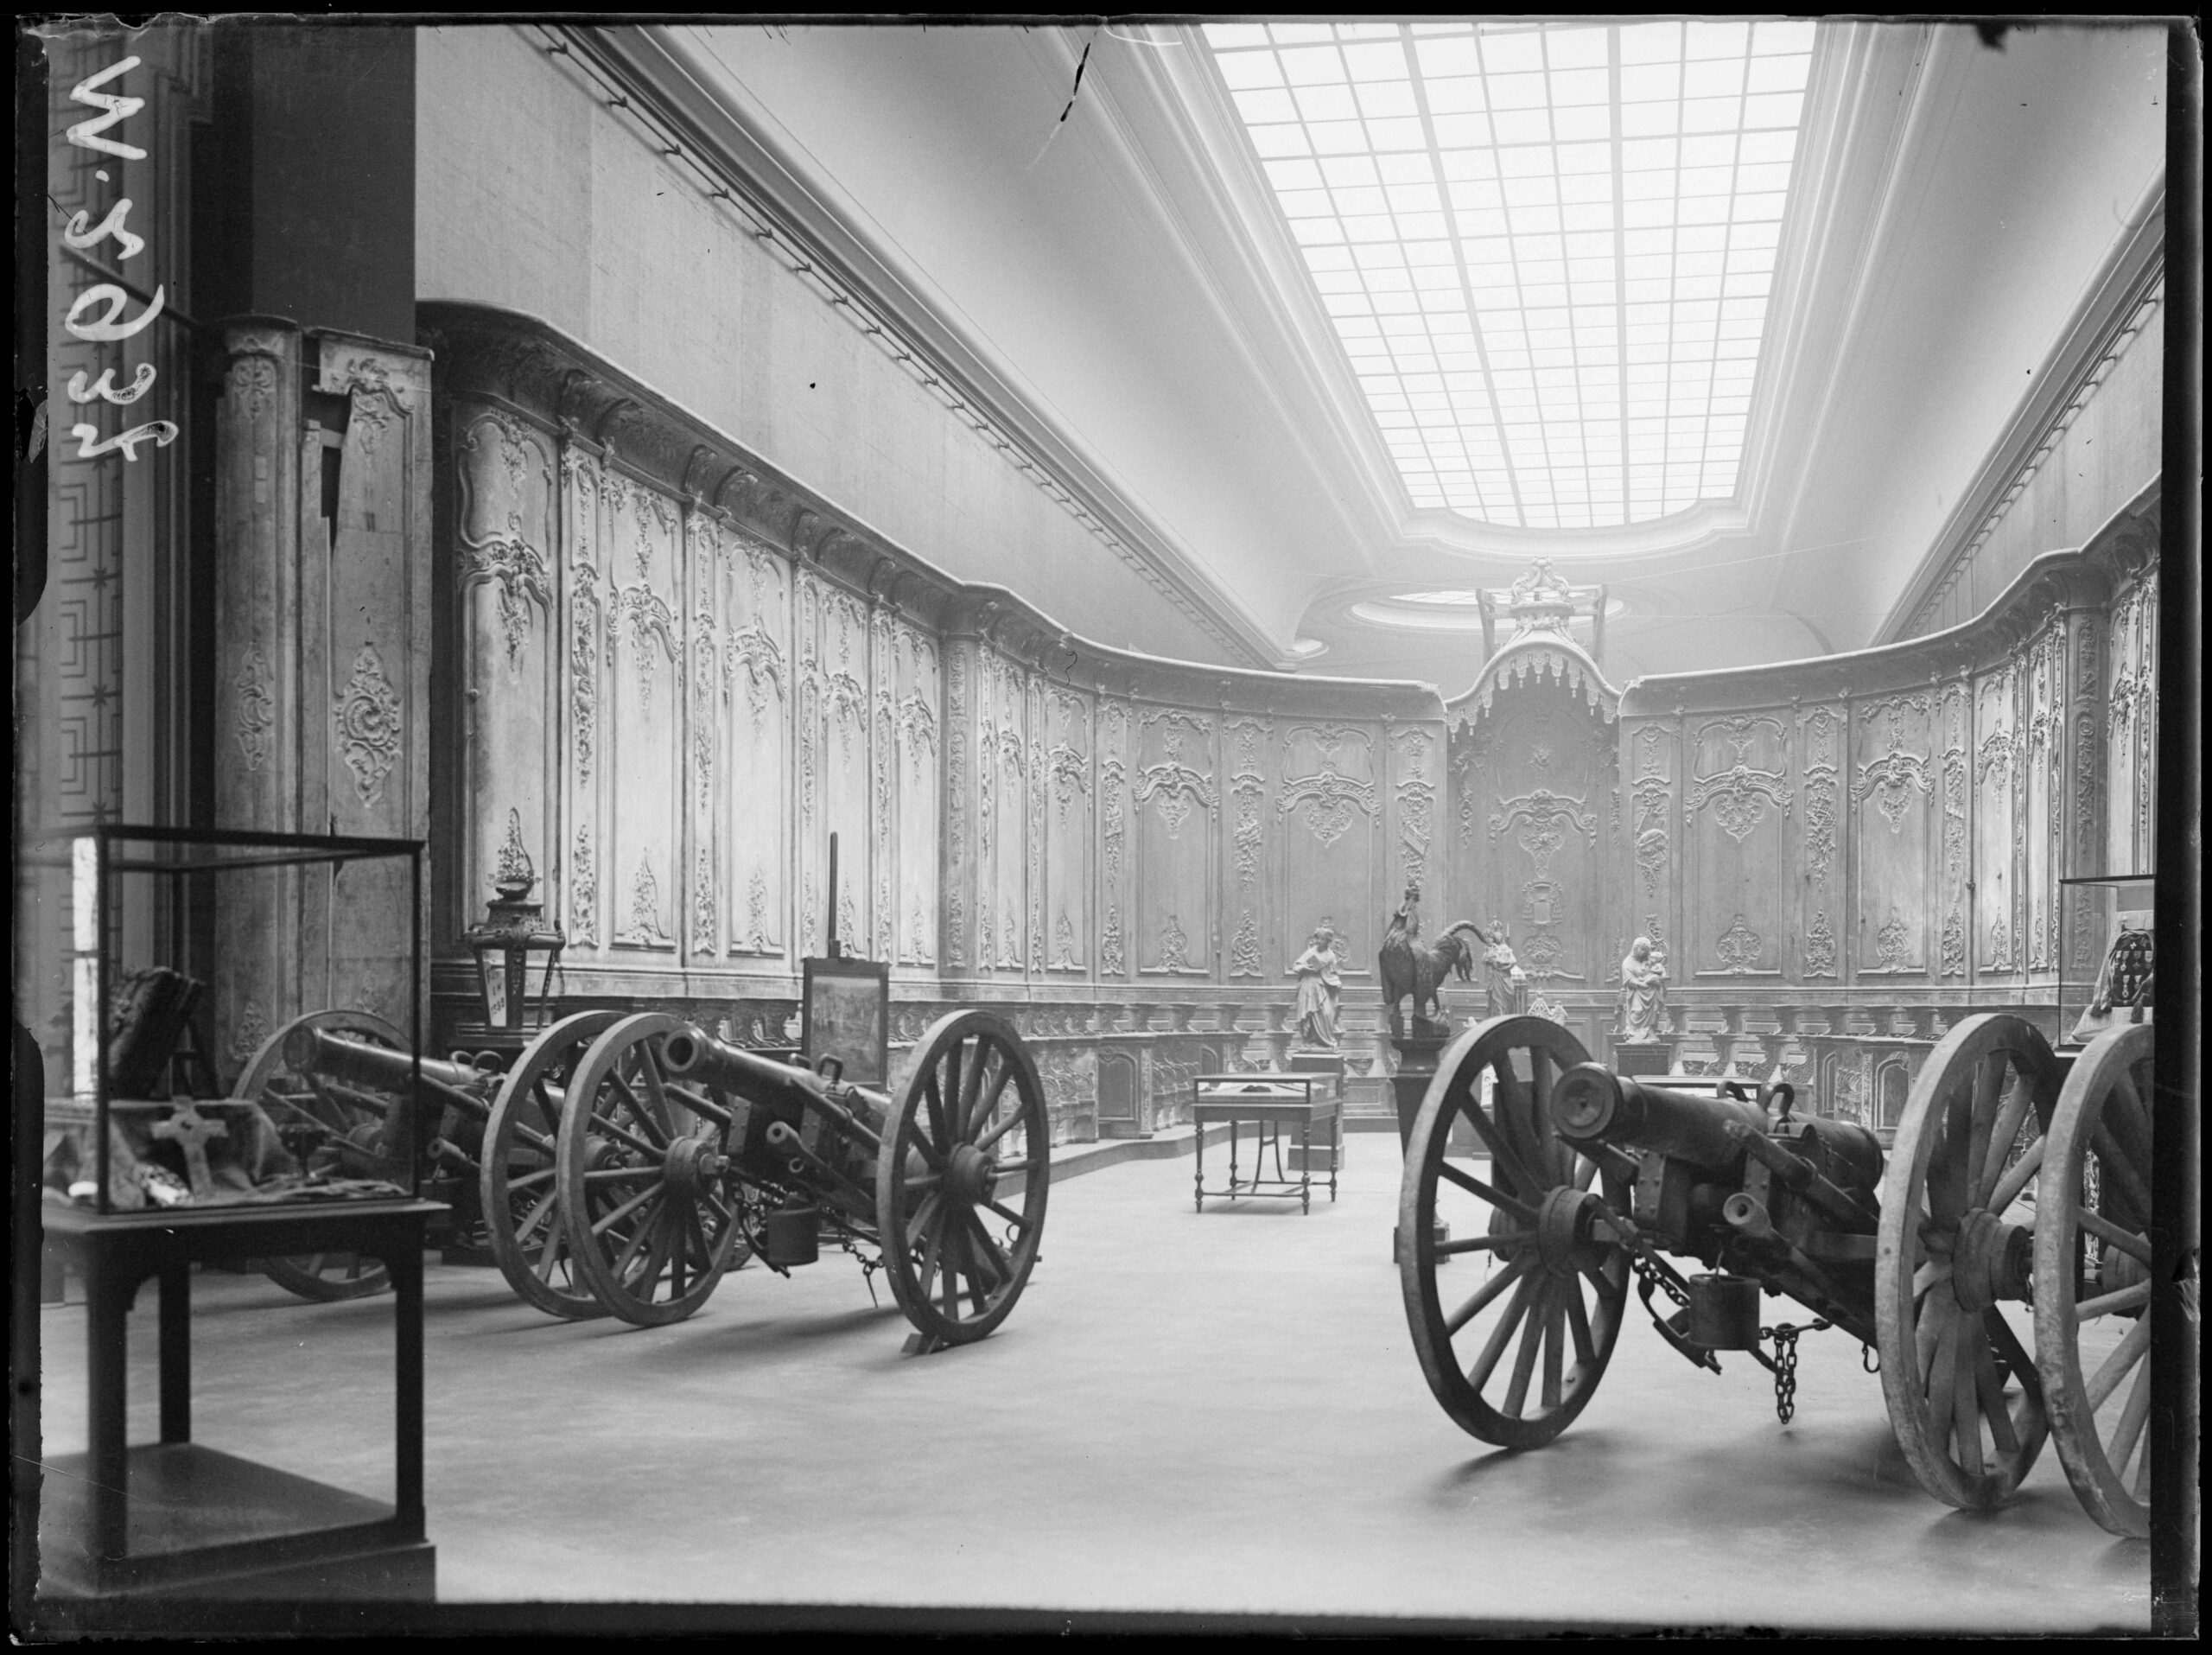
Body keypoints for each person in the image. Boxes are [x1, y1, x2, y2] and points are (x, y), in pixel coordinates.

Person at [1291, 926, 1344, 1050]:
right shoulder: (1311, 952)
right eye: (1317, 939)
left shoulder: (1330, 955)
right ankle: (1309, 1042)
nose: (1319, 941)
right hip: (1308, 985)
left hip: (1322, 986)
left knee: (1325, 1013)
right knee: (1308, 1014)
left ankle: (1325, 1042)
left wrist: (1335, 983)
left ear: (1327, 941)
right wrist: (1304, 968)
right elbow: (1296, 966)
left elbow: (1333, 973)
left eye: (1322, 939)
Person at [1618, 935, 1668, 1043]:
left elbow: (1659, 973)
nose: (1645, 953)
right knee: (1637, 1012)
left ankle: (1649, 1033)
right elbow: (1629, 981)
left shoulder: (1648, 959)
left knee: (1653, 1013)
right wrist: (1643, 983)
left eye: (1646, 951)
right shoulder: (1627, 963)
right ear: (1636, 948)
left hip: (1652, 994)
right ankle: (1635, 1034)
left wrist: (1657, 980)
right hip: (1637, 994)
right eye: (1643, 950)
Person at [1480, 921, 1524, 1019]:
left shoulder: (1505, 948)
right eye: (1496, 937)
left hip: (1505, 977)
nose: (1498, 938)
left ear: (1501, 937)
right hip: (1495, 977)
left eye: (1499, 936)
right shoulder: (1491, 948)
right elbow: (1484, 960)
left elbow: (1513, 961)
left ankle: (1505, 1018)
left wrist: (1501, 962)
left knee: (1509, 997)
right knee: (1496, 1001)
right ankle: (1498, 1019)